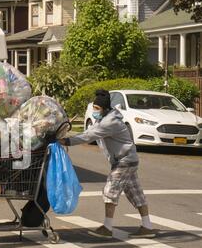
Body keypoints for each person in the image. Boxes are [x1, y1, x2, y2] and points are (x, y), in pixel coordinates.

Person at [59, 90, 157, 238]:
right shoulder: (106, 118)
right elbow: (91, 130)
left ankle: (107, 228)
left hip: (124, 161)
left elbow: (88, 135)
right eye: (94, 108)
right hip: (128, 160)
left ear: (105, 109)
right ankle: (147, 226)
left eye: (97, 109)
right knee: (135, 193)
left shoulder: (109, 122)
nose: (94, 111)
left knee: (109, 192)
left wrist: (66, 141)